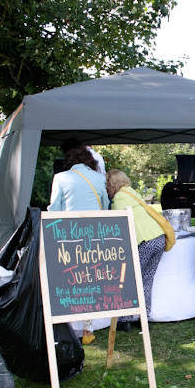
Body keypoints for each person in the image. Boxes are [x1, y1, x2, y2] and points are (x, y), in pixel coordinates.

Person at [48, 145, 109, 344]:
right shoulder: (100, 179)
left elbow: (54, 210)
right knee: (89, 280)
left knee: (68, 281)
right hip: (94, 237)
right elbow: (106, 207)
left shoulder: (61, 178)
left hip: (69, 236)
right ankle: (87, 330)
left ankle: (66, 325)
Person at [106, 169, 165, 332]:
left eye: (107, 186)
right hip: (158, 237)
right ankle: (144, 317)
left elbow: (118, 225)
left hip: (145, 242)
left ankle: (125, 320)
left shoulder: (119, 198)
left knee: (130, 280)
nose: (107, 190)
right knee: (146, 279)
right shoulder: (132, 192)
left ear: (112, 185)